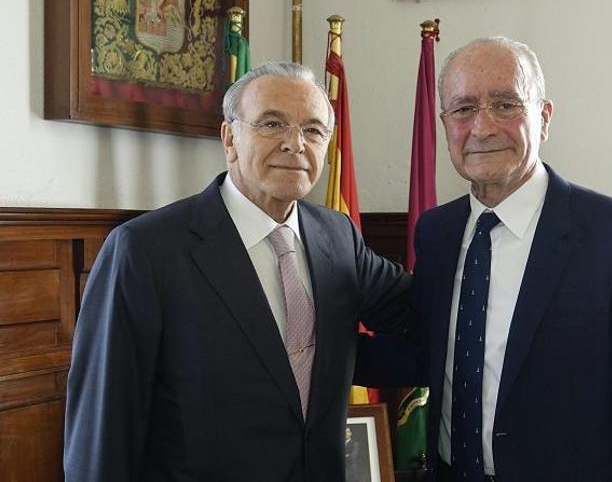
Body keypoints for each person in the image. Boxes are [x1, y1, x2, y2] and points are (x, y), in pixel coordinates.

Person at [357, 37, 612, 481]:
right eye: (464, 109)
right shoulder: (437, 232)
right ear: (445, 124)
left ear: (544, 118)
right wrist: (309, 347)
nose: (483, 127)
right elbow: (429, 351)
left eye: (505, 104)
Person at [64, 61, 412, 481]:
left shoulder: (337, 236)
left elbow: (418, 314)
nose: (295, 144)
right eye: (272, 124)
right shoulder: (145, 250)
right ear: (229, 138)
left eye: (314, 130)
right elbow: (103, 431)